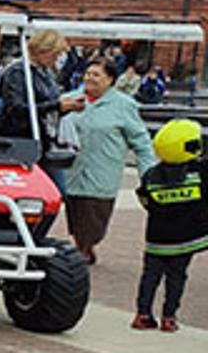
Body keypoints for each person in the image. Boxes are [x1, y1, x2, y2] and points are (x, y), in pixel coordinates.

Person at [61, 60, 158, 264]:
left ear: (110, 79)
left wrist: (148, 172)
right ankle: (83, 246)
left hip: (102, 170)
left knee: (94, 214)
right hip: (72, 170)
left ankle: (83, 249)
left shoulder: (123, 105)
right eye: (88, 73)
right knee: (77, 214)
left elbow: (140, 141)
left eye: (96, 74)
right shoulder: (69, 100)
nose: (90, 78)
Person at [134, 119, 208, 332]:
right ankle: (169, 317)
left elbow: (144, 199)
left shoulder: (151, 175)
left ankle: (142, 314)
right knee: (176, 277)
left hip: (156, 240)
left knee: (150, 276)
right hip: (185, 241)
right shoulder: (200, 172)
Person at [0, 29, 78, 188]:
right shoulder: (18, 72)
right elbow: (15, 109)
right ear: (43, 51)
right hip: (22, 140)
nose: (56, 59)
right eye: (55, 54)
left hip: (44, 140)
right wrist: (55, 105)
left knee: (56, 189)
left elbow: (49, 103)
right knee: (48, 189)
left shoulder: (45, 72)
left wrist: (65, 106)